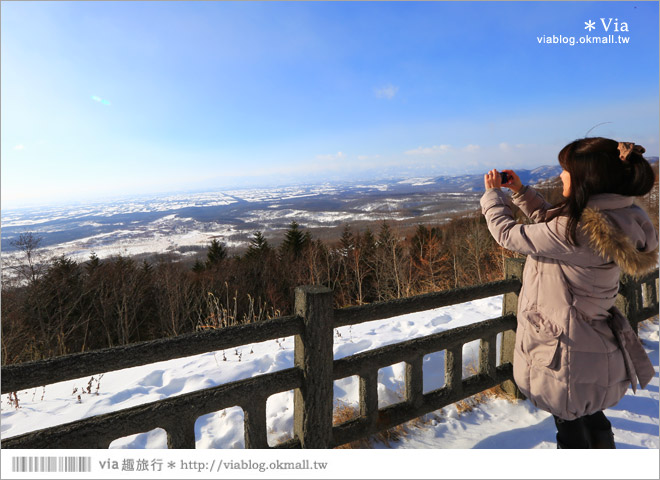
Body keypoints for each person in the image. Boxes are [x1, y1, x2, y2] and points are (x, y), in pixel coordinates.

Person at [480, 137, 658, 449]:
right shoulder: (621, 217)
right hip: (593, 340)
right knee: (590, 416)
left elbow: (509, 235)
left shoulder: (574, 231)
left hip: (565, 349)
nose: (561, 175)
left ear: (588, 179)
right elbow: (553, 225)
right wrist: (521, 193)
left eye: (566, 171)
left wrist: (492, 195)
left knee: (570, 425)